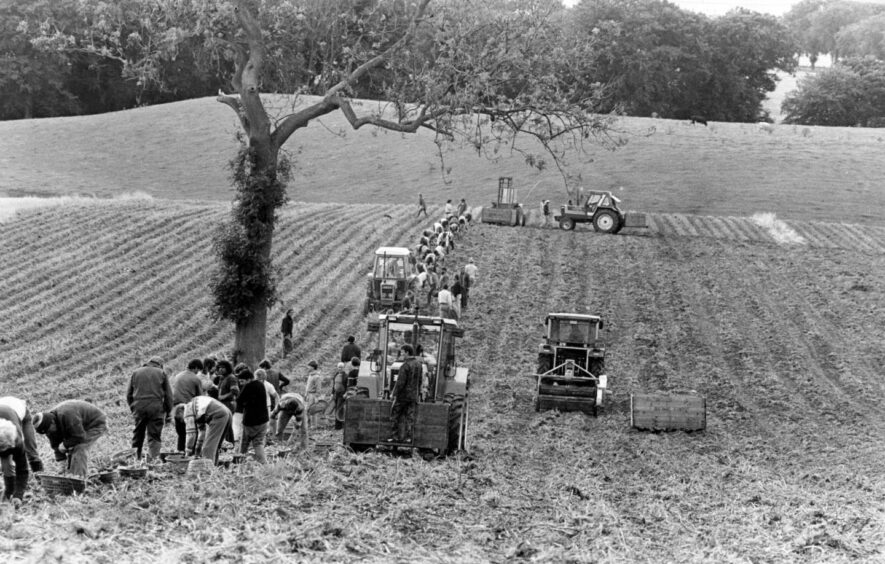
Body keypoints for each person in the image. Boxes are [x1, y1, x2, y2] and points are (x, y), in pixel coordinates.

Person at [33, 400, 107, 478]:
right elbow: (56, 445)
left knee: (80, 447)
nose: (49, 433)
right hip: (78, 426)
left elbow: (79, 437)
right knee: (72, 449)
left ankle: (79, 479)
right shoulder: (48, 427)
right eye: (47, 432)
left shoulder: (67, 414)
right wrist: (61, 463)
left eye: (49, 430)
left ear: (52, 422)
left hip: (95, 423)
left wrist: (65, 445)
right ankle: (71, 476)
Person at [126, 356, 174, 462]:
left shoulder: (136, 372)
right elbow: (169, 396)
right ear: (160, 365)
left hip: (139, 408)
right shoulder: (161, 373)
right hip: (156, 408)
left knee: (138, 435)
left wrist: (133, 408)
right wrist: (168, 411)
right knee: (154, 436)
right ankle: (153, 461)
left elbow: (129, 394)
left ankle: (135, 460)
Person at [0, 397, 44, 503]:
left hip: (21, 412)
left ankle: (41, 481)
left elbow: (22, 470)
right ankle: (8, 491)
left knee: (31, 450)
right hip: (6, 408)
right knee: (6, 462)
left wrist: (18, 495)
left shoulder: (16, 439)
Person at [388, 345, 422, 443]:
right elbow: (419, 381)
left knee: (394, 415)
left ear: (407, 352)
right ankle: (408, 438)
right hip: (413, 396)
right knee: (410, 417)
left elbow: (400, 383)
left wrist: (393, 394)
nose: (401, 354)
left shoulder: (405, 366)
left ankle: (395, 437)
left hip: (403, 396)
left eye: (402, 352)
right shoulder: (419, 365)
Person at [184, 396, 232, 465]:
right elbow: (202, 432)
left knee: (208, 448)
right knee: (215, 446)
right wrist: (198, 450)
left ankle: (207, 471)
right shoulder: (197, 410)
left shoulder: (187, 410)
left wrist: (188, 453)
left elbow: (191, 434)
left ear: (180, 412)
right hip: (225, 412)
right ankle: (214, 467)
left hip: (219, 414)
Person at [171, 359, 205, 453]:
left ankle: (180, 451)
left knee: (181, 433)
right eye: (198, 370)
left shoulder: (178, 376)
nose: (197, 372)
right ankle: (191, 454)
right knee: (192, 432)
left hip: (176, 408)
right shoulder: (195, 379)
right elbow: (200, 396)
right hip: (188, 408)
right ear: (195, 368)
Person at [236, 369, 269, 464]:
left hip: (251, 422)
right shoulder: (260, 384)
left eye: (242, 381)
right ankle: (264, 463)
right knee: (258, 443)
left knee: (244, 444)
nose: (241, 383)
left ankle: (239, 462)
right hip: (263, 420)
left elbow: (239, 400)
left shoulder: (248, 386)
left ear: (248, 379)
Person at [215, 360, 238, 444]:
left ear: (227, 368)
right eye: (219, 367)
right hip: (222, 403)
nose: (221, 369)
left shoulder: (231, 377)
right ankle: (225, 442)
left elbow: (235, 391)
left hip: (229, 403)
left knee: (227, 424)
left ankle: (230, 443)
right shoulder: (222, 378)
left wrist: (223, 397)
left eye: (223, 368)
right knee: (223, 424)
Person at [304, 360, 322, 428]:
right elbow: (307, 386)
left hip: (313, 395)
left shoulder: (317, 377)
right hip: (309, 394)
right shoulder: (310, 375)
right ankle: (308, 424)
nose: (308, 367)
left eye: (309, 366)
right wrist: (306, 394)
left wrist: (317, 397)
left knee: (313, 410)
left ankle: (313, 426)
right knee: (306, 410)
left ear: (313, 367)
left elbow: (318, 389)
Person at [331, 362, 347, 430]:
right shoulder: (336, 375)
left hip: (341, 394)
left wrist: (345, 393)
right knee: (336, 409)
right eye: (339, 367)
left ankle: (339, 426)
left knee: (339, 409)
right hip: (336, 394)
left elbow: (347, 386)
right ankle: (337, 425)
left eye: (341, 367)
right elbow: (334, 385)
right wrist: (332, 393)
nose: (340, 368)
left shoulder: (345, 376)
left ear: (343, 368)